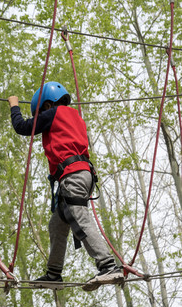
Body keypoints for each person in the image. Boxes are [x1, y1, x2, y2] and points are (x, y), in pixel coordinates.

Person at [8, 81, 123, 291]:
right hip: (80, 175)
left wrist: (14, 106)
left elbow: (22, 127)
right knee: (58, 224)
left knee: (78, 216)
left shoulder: (53, 114)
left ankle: (108, 265)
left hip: (73, 176)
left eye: (39, 112)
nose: (39, 117)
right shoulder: (75, 117)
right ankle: (54, 274)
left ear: (46, 105)